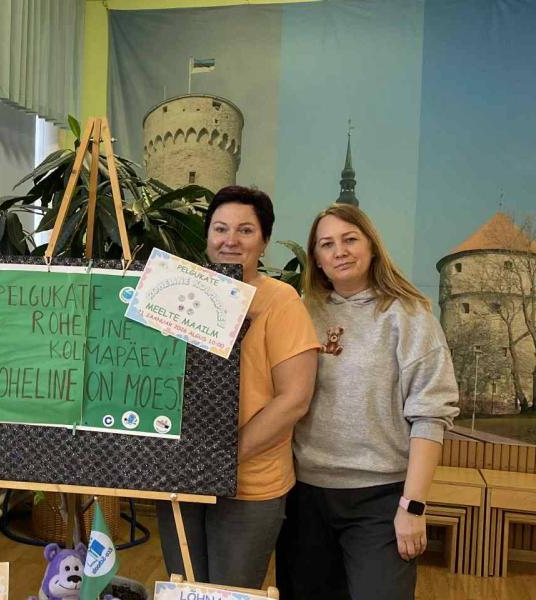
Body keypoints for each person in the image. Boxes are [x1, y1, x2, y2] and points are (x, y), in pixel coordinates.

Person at [276, 203, 459, 599]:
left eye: (350, 239)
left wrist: (413, 507)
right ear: (317, 259)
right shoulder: (301, 313)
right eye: (327, 244)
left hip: (381, 498)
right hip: (304, 495)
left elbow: (431, 415)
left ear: (372, 246)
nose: (339, 251)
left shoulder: (409, 316)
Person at [156, 185, 320, 587]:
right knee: (183, 588)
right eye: (220, 228)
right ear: (207, 237)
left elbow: (294, 399)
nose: (230, 240)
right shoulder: (178, 294)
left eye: (245, 230)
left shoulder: (281, 302)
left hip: (250, 485)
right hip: (180, 477)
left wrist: (223, 458)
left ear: (263, 241)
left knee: (230, 591)